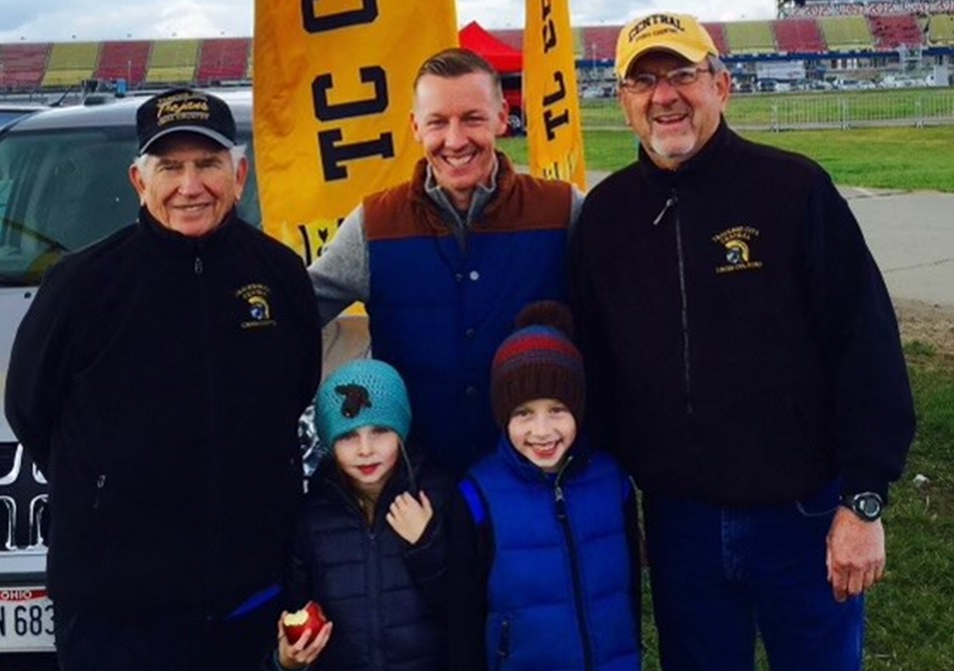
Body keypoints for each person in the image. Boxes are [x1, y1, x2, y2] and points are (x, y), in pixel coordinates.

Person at [569, 13, 916, 671]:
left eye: (681, 75)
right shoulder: (606, 218)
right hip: (680, 523)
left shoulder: (793, 189)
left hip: (806, 513)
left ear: (721, 86)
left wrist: (864, 499)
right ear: (622, 100)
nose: (664, 95)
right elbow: (598, 373)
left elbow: (866, 344)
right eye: (643, 80)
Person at [4, 88, 323, 671]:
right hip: (115, 615)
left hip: (249, 603)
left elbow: (297, 387)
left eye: (207, 164)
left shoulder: (278, 276)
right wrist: (107, 486)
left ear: (240, 173)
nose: (190, 185)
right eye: (169, 166)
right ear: (138, 179)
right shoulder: (80, 286)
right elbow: (28, 409)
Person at [309, 48, 584, 477]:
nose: (455, 140)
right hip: (420, 486)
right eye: (438, 122)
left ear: (502, 118)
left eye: (472, 118)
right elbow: (296, 310)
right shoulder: (375, 222)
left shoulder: (561, 210)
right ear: (416, 127)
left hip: (538, 484)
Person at [447, 302, 640, 671]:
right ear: (503, 416)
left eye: (557, 409)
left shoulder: (613, 482)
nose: (542, 431)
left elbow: (627, 592)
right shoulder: (477, 495)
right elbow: (464, 613)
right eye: (524, 413)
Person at [270, 359, 451, 671]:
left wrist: (426, 546)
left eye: (380, 430)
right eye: (348, 436)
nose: (365, 449)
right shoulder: (313, 518)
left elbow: (464, 608)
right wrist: (286, 661)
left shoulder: (436, 498)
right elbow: (293, 607)